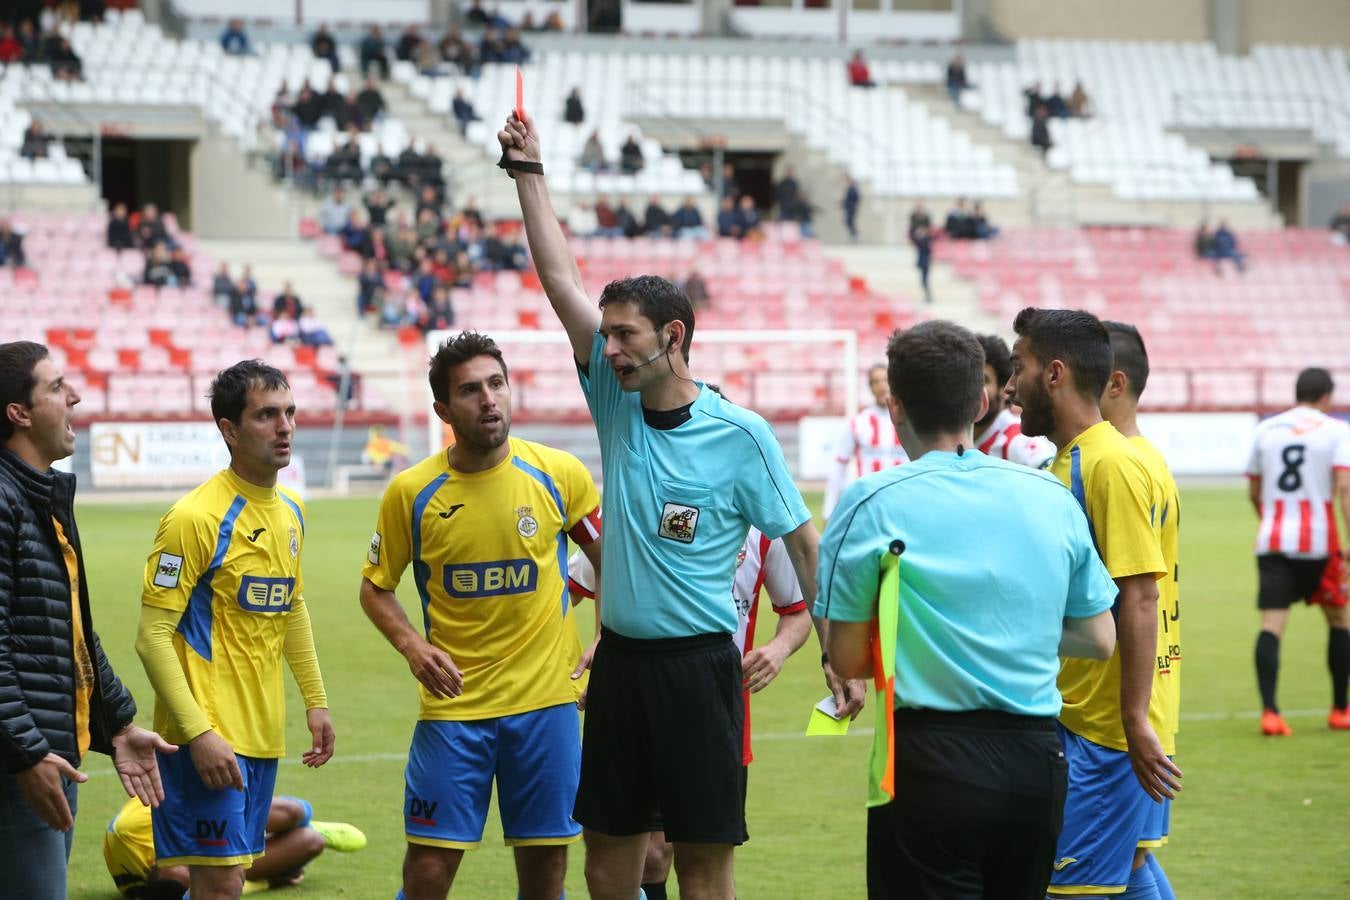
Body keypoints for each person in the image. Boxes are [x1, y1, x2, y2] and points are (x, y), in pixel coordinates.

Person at [498, 110, 858, 900]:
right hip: (621, 666)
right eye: (608, 337)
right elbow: (559, 281)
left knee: (702, 865)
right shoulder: (615, 401)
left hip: (701, 669)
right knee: (607, 862)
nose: (611, 349)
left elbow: (805, 544)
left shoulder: (743, 435)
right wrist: (529, 173)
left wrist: (836, 650)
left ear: (675, 335)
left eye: (626, 335)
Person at [819, 320, 1117, 899]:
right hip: (1037, 756)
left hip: (929, 759)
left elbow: (849, 658)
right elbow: (1099, 636)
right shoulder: (1050, 495)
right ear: (982, 400)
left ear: (894, 403)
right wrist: (1009, 628)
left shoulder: (871, 500)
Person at [360, 332, 602, 900]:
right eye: (470, 391)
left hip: (547, 706)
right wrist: (414, 647)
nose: (489, 400)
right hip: (454, 710)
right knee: (427, 872)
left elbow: (608, 558)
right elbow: (376, 590)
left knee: (545, 875)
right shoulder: (411, 493)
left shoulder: (559, 473)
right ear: (444, 409)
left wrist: (604, 636)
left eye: (497, 384)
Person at [135, 361, 334, 900]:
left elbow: (291, 607)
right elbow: (152, 636)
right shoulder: (194, 518)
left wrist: (315, 700)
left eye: (289, 412)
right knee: (220, 884)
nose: (285, 426)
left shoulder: (291, 511)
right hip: (207, 736)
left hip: (261, 734)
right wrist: (198, 733)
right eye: (267, 415)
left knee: (233, 877)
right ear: (229, 429)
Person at [1006, 308, 1183, 899]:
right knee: (1127, 870)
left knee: (1069, 889)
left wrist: (1134, 720)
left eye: (1018, 367)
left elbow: (1139, 596)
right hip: (1089, 711)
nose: (1009, 386)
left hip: (1104, 725)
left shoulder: (1108, 465)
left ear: (1053, 374)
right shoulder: (1077, 461)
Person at [0, 341, 175, 900]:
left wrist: (119, 725)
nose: (74, 396)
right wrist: (24, 751)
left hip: (52, 755)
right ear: (19, 413)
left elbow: (72, 630)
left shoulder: (40, 496)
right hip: (22, 766)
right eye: (56, 388)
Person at [568, 508, 814, 900]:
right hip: (634, 695)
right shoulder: (636, 506)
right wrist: (606, 636)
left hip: (717, 711)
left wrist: (778, 649)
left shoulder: (765, 524)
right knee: (645, 855)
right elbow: (567, 588)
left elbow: (798, 610)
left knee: (696, 861)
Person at [1099, 321, 1183, 898]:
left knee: (1119, 864)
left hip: (1129, 698)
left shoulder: (1125, 466)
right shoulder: (1147, 457)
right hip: (1151, 686)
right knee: (1129, 859)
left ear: (1114, 384)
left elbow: (1140, 595)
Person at [1246, 366, 1350, 736]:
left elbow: (1255, 491)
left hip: (1273, 541)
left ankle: (1271, 713)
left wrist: (1270, 520)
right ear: (1326, 397)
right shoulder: (1337, 431)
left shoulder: (1266, 430)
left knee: (1271, 626)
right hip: (1322, 543)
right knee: (1339, 621)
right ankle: (1340, 710)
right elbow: (1345, 490)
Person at [104, 794, 366, 897]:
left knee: (292, 814)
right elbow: (225, 886)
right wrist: (271, 882)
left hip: (199, 808)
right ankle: (259, 841)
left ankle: (293, 822)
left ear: (157, 862)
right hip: (215, 851)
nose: (198, 874)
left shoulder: (130, 831)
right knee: (311, 841)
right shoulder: (142, 891)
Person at [823, 364, 908, 521]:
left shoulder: (908, 420)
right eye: (876, 381)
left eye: (885, 380)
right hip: (870, 504)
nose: (881, 386)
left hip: (902, 502)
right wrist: (829, 511)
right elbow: (839, 466)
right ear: (870, 387)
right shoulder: (858, 422)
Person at [973, 334, 1054, 468]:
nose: (974, 388)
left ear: (1002, 388)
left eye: (983, 380)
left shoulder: (1018, 441)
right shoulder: (959, 439)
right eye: (969, 379)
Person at [910, 221, 933, 305]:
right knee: (923, 281)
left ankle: (928, 296)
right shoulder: (922, 239)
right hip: (922, 262)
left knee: (925, 281)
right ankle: (928, 296)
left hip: (925, 263)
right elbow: (914, 240)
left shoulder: (926, 239)